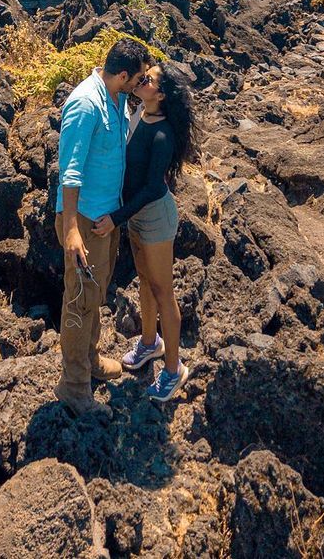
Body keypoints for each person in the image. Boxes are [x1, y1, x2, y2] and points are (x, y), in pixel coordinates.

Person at [92, 63, 199, 403]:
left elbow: (153, 188)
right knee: (144, 281)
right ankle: (150, 343)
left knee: (163, 291)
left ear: (161, 95)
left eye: (148, 79)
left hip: (154, 218)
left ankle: (174, 370)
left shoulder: (162, 134)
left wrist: (116, 218)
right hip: (137, 216)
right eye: (143, 75)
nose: (142, 80)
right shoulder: (139, 112)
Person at [54, 37, 150, 413]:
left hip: (105, 219)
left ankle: (90, 361)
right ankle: (74, 386)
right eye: (138, 79)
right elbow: (70, 171)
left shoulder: (118, 98)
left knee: (94, 295)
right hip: (83, 220)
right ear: (123, 75)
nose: (141, 84)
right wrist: (72, 230)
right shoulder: (85, 104)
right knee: (79, 300)